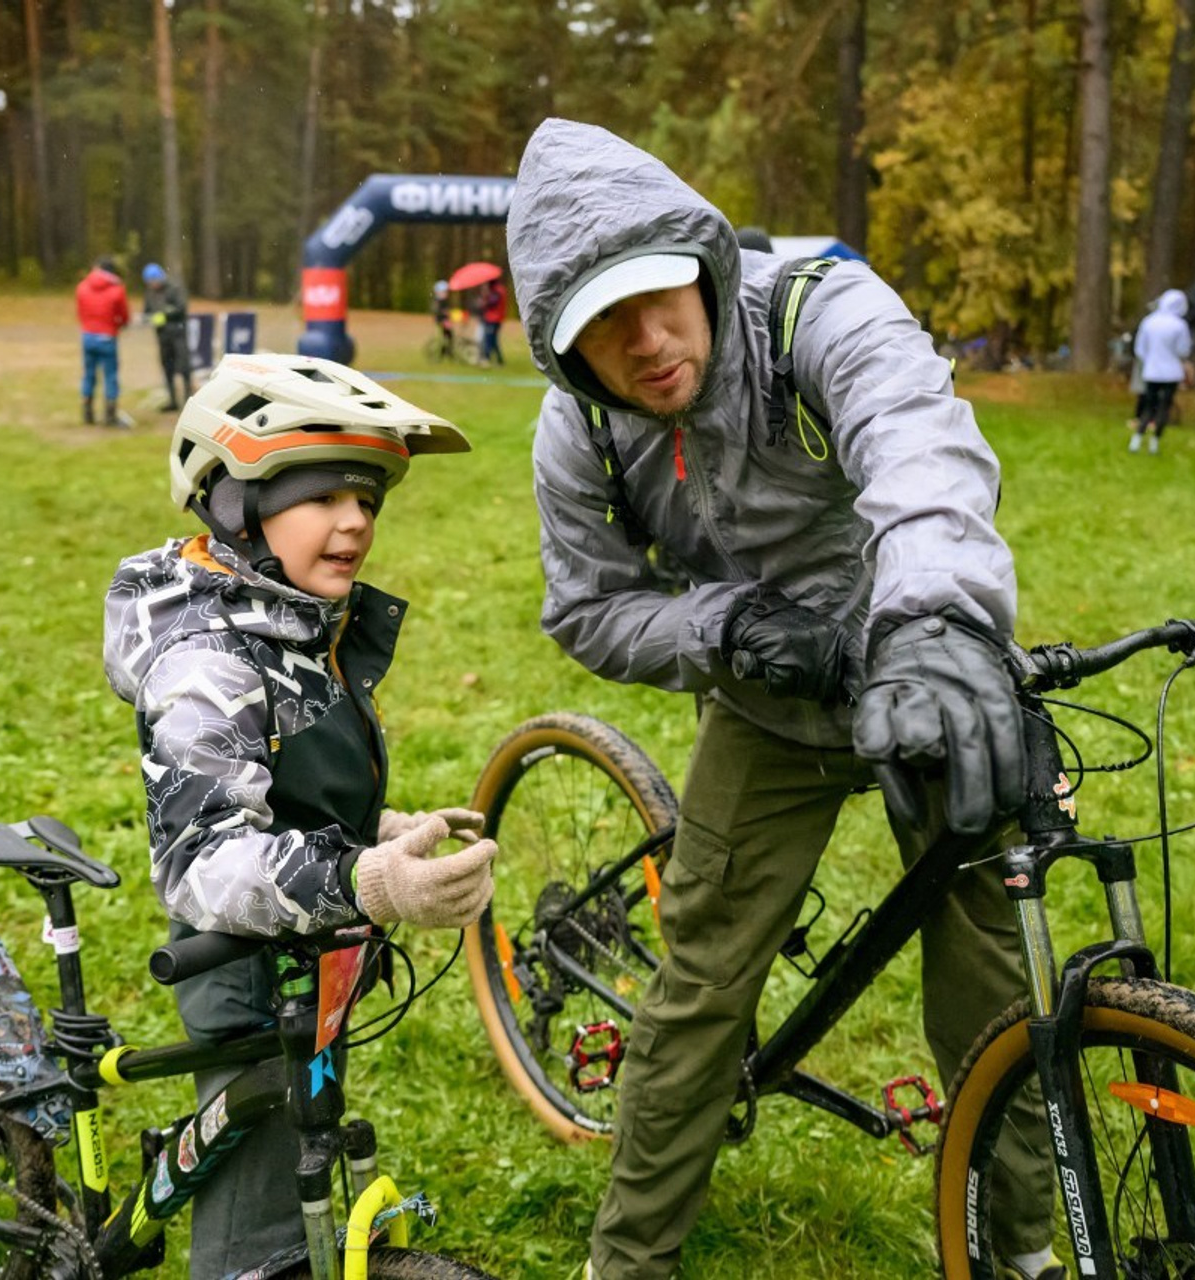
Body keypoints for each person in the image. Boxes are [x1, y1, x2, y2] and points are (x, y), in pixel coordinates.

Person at [505, 119, 1060, 1280]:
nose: (644, 340)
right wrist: (729, 630)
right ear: (562, 349)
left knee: (995, 990)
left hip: (923, 661)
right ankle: (626, 1260)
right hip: (765, 704)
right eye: (599, 323)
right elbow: (583, 608)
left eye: (656, 294)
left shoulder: (818, 312)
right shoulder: (578, 433)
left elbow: (919, 449)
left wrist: (936, 624)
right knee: (700, 985)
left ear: (702, 266)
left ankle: (1021, 1252)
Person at [103, 352, 496, 1277]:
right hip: (241, 967)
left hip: (312, 953)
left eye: (368, 497)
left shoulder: (287, 610)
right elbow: (204, 857)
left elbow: (281, 783)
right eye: (323, 494)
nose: (356, 520)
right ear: (235, 502)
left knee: (296, 1154)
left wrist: (380, 832)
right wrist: (366, 876)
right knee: (257, 1244)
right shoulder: (204, 658)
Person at [1128, 287, 1191, 455]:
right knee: (1164, 406)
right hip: (1171, 372)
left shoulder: (1149, 322)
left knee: (1149, 404)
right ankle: (1154, 442)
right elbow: (1183, 350)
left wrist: (1150, 360)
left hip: (1152, 370)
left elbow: (1140, 349)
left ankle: (1137, 439)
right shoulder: (1179, 325)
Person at [75, 255, 130, 427]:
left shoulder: (82, 287)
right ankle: (110, 415)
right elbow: (124, 316)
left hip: (88, 336)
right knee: (110, 376)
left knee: (89, 374)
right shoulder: (117, 289)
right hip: (107, 337)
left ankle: (87, 412)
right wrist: (118, 326)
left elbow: (80, 312)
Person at [142, 262, 194, 410]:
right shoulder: (149, 293)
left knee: (184, 367)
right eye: (149, 282)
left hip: (178, 333)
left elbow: (181, 308)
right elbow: (146, 313)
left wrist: (164, 315)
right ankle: (172, 400)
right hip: (162, 336)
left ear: (160, 277)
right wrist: (150, 318)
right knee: (167, 367)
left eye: (154, 281)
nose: (152, 285)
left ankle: (188, 399)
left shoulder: (175, 288)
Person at [479, 275, 507, 365]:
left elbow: (491, 303)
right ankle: (500, 360)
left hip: (493, 319)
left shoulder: (497, 291)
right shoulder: (499, 289)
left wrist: (485, 297)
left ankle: (486, 359)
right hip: (496, 318)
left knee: (489, 339)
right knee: (493, 340)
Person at [431, 278, 454, 358]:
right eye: (444, 291)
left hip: (444, 321)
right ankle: (445, 352)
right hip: (442, 321)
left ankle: (446, 352)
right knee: (448, 336)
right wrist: (445, 315)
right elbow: (439, 312)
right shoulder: (439, 301)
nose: (446, 293)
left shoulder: (442, 301)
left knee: (448, 336)